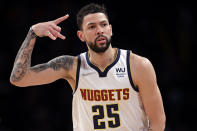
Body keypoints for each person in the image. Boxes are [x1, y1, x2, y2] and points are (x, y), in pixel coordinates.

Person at [10, 3, 166, 131]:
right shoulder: (71, 66)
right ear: (81, 35)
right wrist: (33, 33)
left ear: (110, 30)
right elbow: (19, 79)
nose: (99, 30)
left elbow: (158, 123)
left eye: (103, 25)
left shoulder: (138, 65)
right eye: (91, 27)